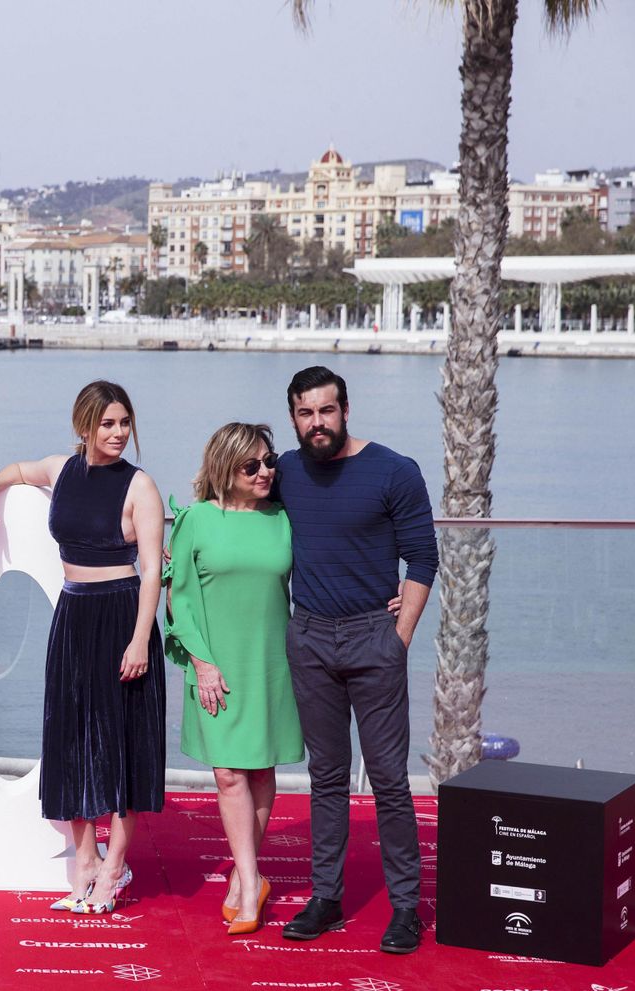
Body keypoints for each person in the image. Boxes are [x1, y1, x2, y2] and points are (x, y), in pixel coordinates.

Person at [0, 380, 166, 914]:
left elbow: (153, 571)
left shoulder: (140, 486)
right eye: (107, 424)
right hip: (74, 613)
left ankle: (115, 866)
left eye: (125, 423)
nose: (119, 433)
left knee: (124, 746)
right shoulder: (62, 470)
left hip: (124, 615)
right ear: (84, 426)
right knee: (72, 739)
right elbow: (16, 470)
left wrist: (139, 641)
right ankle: (85, 858)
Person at [274, 366, 437, 954]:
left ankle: (406, 908)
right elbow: (228, 495)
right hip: (310, 638)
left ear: (345, 409)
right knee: (326, 778)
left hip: (376, 637)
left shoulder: (395, 471)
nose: (317, 423)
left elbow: (422, 558)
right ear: (293, 417)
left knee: (391, 780)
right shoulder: (284, 471)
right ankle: (327, 896)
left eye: (326, 411)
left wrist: (400, 634)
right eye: (305, 413)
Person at [164, 422, 302, 937]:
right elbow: (178, 597)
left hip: (272, 662)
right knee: (228, 774)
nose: (265, 472)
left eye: (269, 463)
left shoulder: (285, 520)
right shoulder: (197, 518)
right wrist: (202, 663)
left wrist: (385, 595)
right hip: (214, 663)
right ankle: (249, 881)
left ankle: (245, 879)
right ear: (226, 467)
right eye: (253, 465)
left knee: (262, 772)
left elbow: (324, 572)